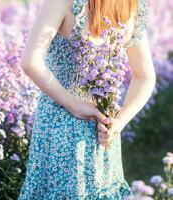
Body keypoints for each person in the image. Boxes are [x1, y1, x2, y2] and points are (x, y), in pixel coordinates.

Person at [18, 0, 156, 199]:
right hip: (104, 129)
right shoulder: (130, 4)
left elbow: (30, 62)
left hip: (59, 125)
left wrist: (75, 106)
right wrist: (118, 122)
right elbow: (145, 76)